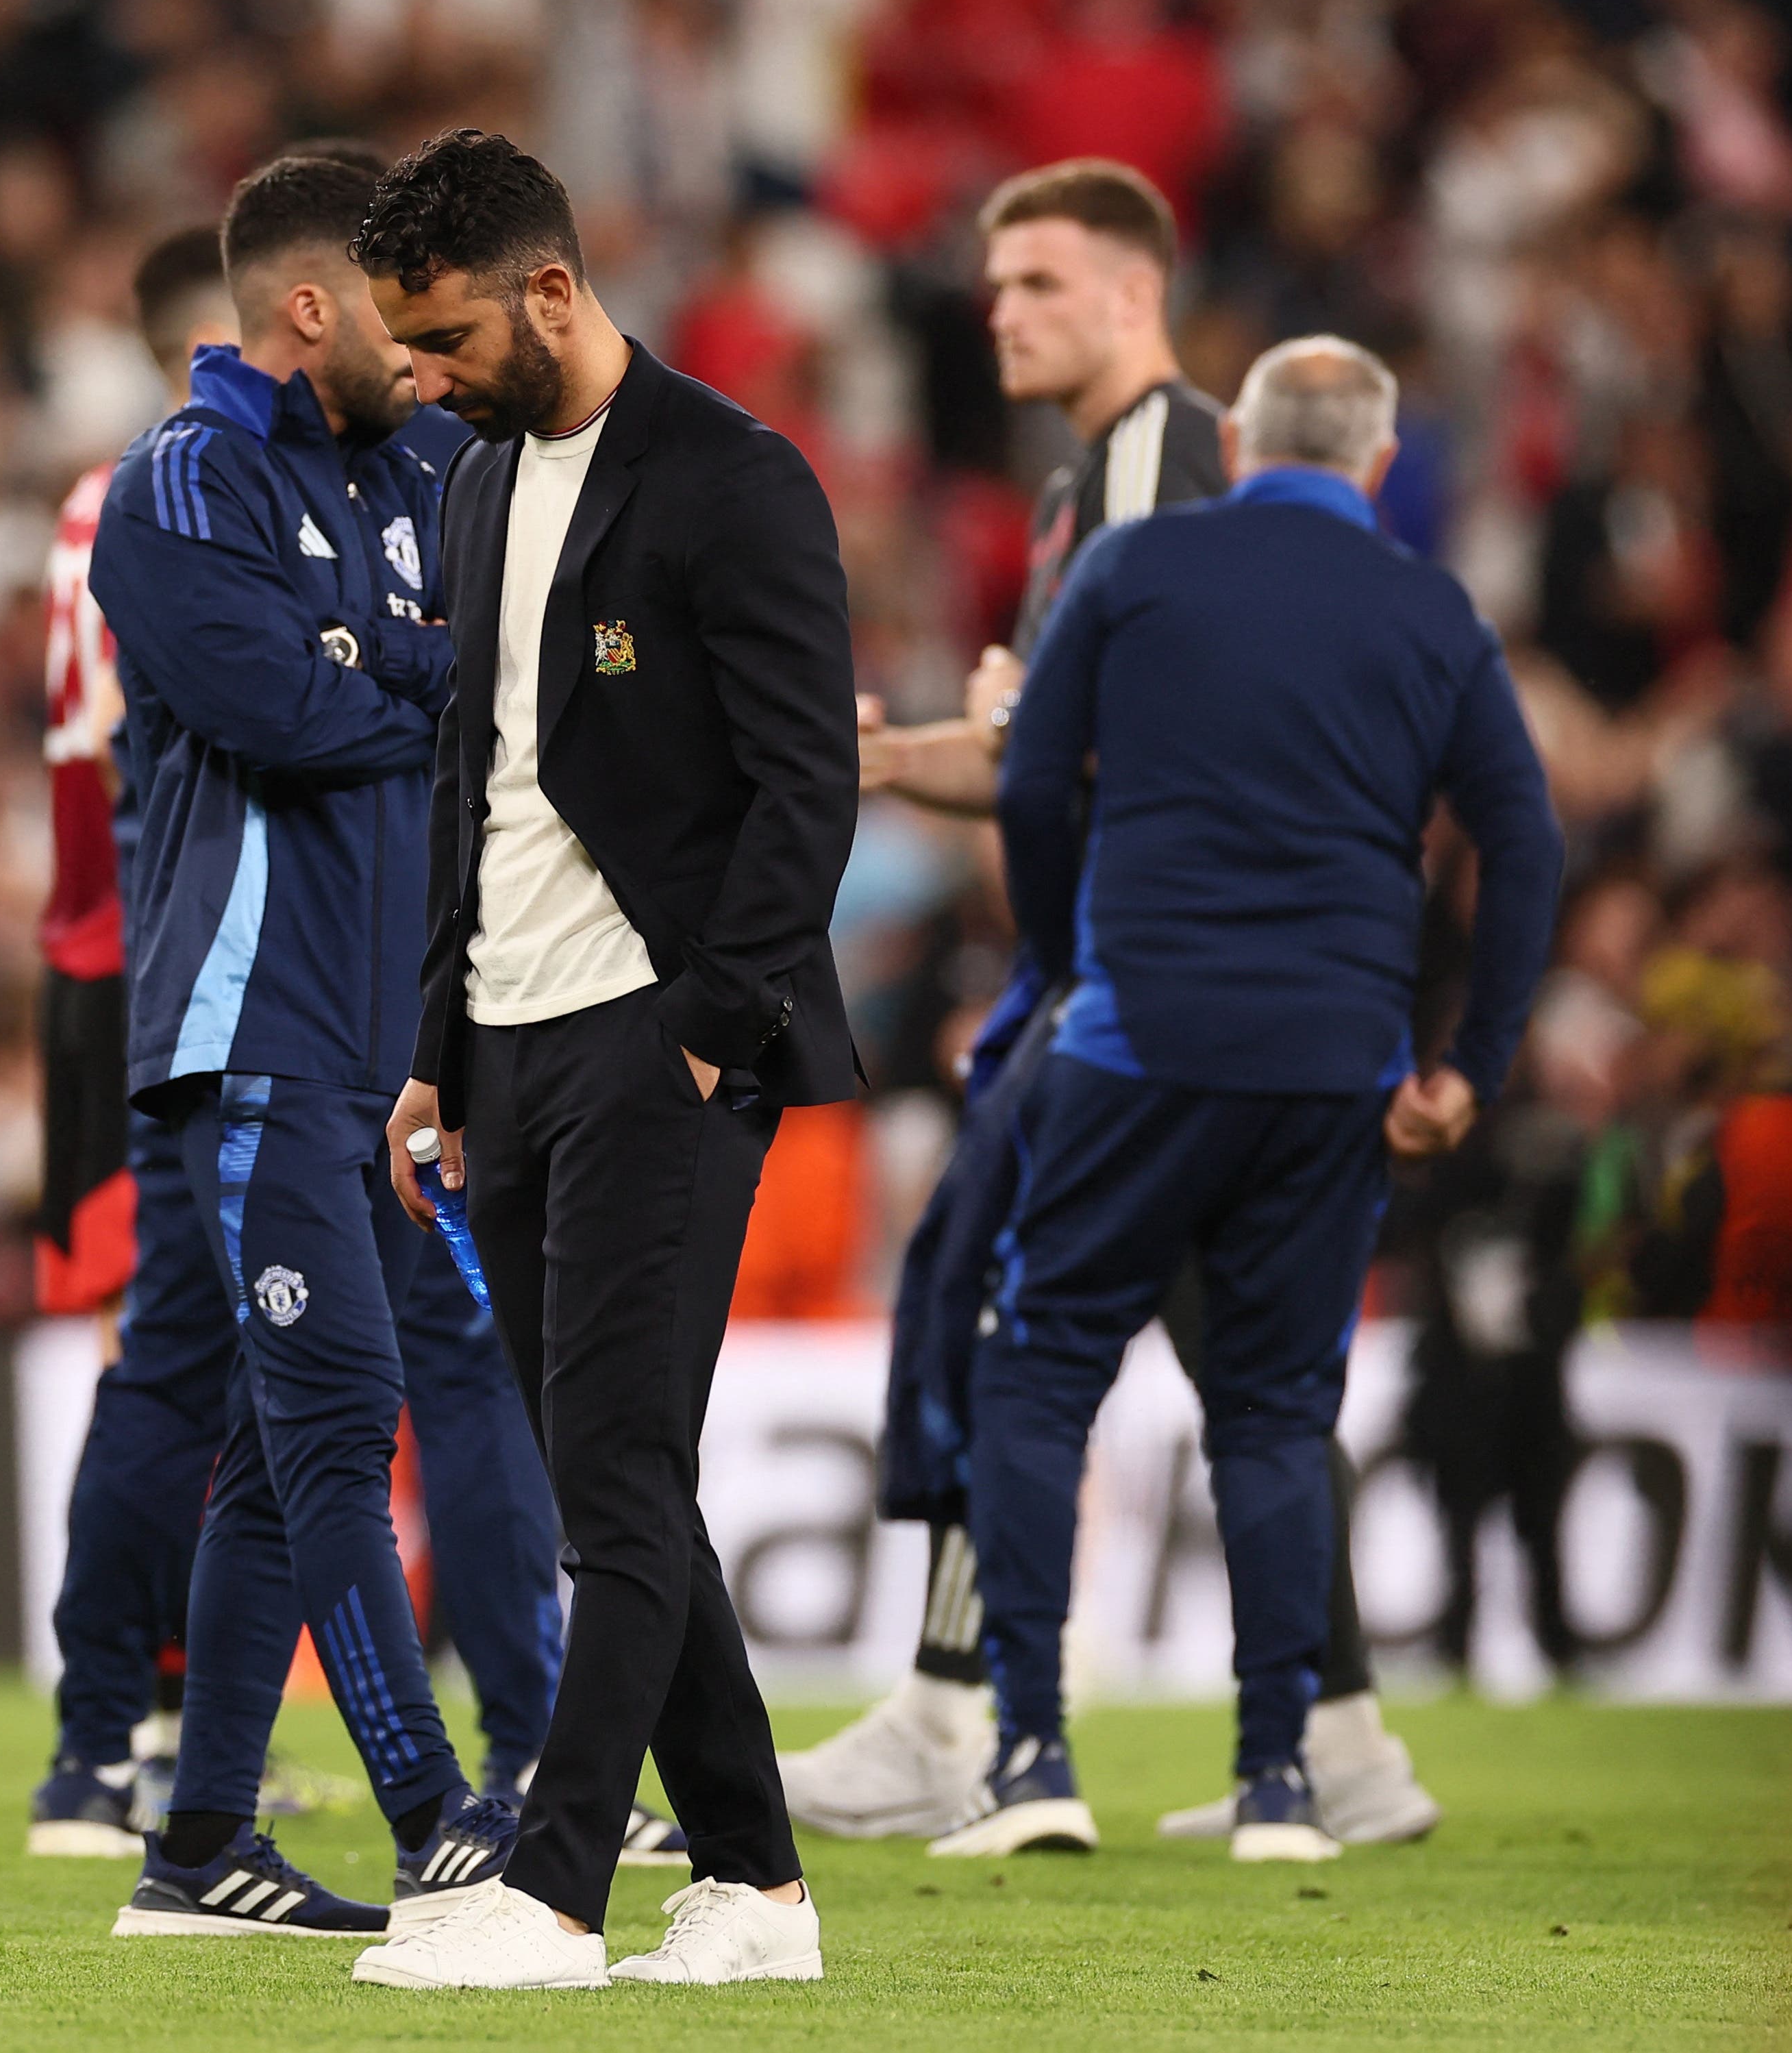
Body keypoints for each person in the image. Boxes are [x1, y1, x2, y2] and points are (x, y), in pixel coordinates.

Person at [787, 158, 1440, 1853]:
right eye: (996, 286)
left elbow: (1128, 742)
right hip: (1224, 994)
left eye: (1042, 284)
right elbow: (1069, 746)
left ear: (1138, 293)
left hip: (1144, 994)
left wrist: (1014, 747)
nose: (1002, 313)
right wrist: (889, 758)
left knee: (985, 1301)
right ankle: (1345, 1744)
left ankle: (954, 1715)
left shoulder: (1162, 461)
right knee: (1245, 1371)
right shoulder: (1101, 478)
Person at [358, 128, 860, 1991]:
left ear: (553, 292)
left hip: (660, 1039)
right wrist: (436, 1046)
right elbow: (471, 783)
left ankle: (556, 1888)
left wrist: (714, 1032)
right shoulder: (481, 485)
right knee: (609, 1477)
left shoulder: (735, 477)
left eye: (444, 338)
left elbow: (810, 785)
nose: (422, 379)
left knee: (622, 1471)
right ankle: (757, 1885)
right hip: (504, 1046)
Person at [960, 338, 1562, 1863]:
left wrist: (1064, 953)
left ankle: (1031, 1757)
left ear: (1235, 442)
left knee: (1040, 1371)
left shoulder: (1135, 567)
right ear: (1378, 462)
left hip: (1136, 1043)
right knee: (1279, 1411)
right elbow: (1525, 842)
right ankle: (1282, 1776)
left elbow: (1030, 783)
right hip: (1334, 1067)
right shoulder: (1433, 610)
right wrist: (1469, 1066)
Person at [82, 153, 550, 1937]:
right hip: (257, 1022)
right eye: (392, 316)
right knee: (345, 1419)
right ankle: (437, 1818)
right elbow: (282, 709)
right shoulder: (180, 482)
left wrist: (387, 658)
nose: (423, 355)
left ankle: (200, 1844)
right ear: (307, 304)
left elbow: (494, 681)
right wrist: (412, 674)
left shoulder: (424, 464)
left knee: (284, 1452)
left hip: (398, 1038)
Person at [29, 223, 239, 1852]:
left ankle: (157, 1726)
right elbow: (137, 762)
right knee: (163, 1351)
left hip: (132, 958)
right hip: (148, 965)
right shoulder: (163, 498)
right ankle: (107, 1731)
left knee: (198, 1356)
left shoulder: (104, 499)